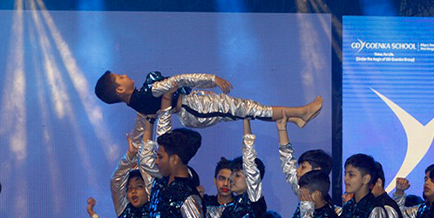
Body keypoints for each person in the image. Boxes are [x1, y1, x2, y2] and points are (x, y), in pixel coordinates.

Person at [93, 69, 322, 128]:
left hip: (194, 106)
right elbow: (179, 80)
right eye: (120, 77)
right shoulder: (147, 91)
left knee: (243, 109)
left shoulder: (136, 104)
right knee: (247, 108)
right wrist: (212, 78)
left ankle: (294, 119)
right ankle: (301, 112)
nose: (125, 76)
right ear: (120, 90)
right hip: (194, 107)